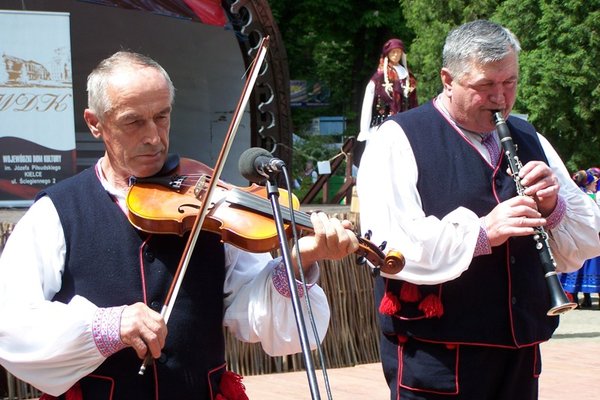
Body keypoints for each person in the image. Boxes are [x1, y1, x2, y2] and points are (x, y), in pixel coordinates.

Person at [0, 51, 360, 399]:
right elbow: (10, 321)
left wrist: (298, 263)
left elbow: (256, 314)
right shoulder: (57, 212)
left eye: (162, 116)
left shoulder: (209, 200)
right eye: (133, 121)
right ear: (95, 124)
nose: (154, 137)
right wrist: (108, 326)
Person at [357, 20, 600, 400]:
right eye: (486, 85)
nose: (501, 98)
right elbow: (390, 245)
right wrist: (482, 231)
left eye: (510, 83)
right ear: (447, 79)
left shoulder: (529, 137)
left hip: (519, 349)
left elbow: (589, 237)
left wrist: (553, 207)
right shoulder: (397, 138)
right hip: (438, 356)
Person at [357, 38, 418, 143]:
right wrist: (364, 130)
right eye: (393, 52)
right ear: (388, 54)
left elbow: (414, 104)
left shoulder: (408, 77)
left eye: (398, 52)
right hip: (382, 127)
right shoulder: (379, 77)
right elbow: (368, 102)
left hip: (404, 127)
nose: (396, 55)